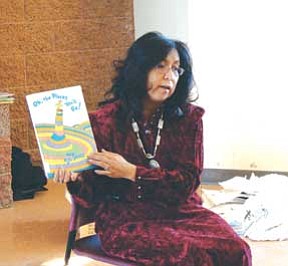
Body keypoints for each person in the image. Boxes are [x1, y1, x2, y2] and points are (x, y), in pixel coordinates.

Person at [55, 31, 252, 265]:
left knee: (236, 250)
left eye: (176, 68)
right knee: (190, 256)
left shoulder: (188, 120)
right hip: (125, 218)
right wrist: (76, 178)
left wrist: (132, 172)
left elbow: (186, 183)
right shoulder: (103, 121)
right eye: (160, 66)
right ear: (139, 69)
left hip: (181, 211)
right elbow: (95, 195)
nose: (170, 76)